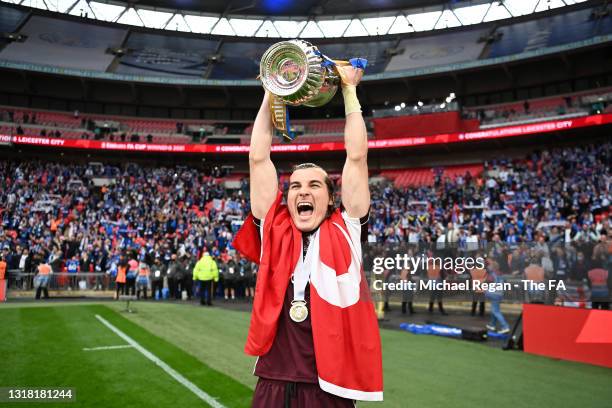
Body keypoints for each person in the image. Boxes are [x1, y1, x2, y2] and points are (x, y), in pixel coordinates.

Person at [233, 63, 382, 406]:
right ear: (285, 200)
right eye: (295, 186)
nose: (303, 192)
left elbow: (357, 158)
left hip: (329, 386)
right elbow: (258, 159)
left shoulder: (347, 228)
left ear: (331, 199)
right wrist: (272, 91)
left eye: (315, 185)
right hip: (273, 376)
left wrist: (348, 91)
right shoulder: (275, 228)